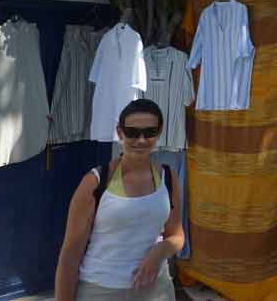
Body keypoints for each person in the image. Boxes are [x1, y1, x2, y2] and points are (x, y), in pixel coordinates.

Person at [55, 99, 184, 301]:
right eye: (132, 132)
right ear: (119, 131)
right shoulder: (95, 182)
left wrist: (159, 251)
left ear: (159, 132)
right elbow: (70, 255)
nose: (141, 140)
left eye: (149, 132)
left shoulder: (168, 178)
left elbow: (177, 235)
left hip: (156, 289)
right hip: (102, 290)